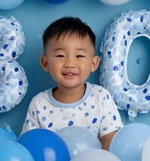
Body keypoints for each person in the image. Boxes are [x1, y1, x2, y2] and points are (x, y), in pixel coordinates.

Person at [21, 16, 123, 150]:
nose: (69, 64)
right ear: (45, 63)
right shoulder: (39, 104)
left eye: (79, 56)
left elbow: (111, 142)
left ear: (93, 64)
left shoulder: (101, 97)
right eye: (60, 56)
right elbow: (29, 146)